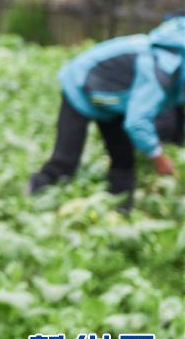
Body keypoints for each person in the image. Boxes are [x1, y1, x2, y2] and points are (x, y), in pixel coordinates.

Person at [28, 15, 185, 207]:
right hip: (80, 86)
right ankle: (32, 200)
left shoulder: (175, 59)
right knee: (65, 162)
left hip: (115, 100)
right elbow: (137, 121)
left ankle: (120, 214)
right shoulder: (162, 69)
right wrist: (158, 156)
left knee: (124, 161)